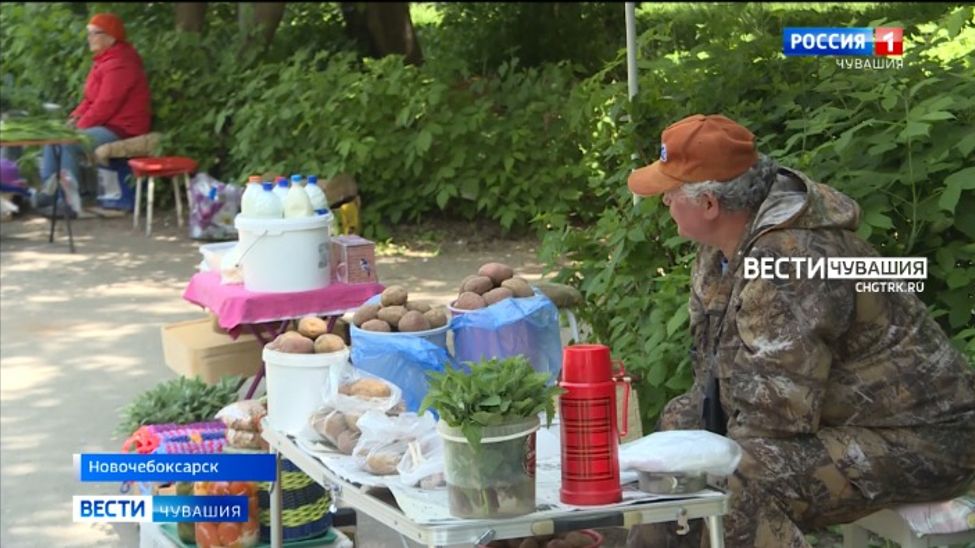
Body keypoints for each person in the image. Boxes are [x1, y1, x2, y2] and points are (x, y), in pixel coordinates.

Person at [625, 114, 975, 547]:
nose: (665, 204)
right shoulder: (723, 251)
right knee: (676, 432)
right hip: (848, 425)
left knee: (739, 478)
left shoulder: (791, 261)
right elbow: (716, 383)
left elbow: (777, 416)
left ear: (709, 204)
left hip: (924, 439)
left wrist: (704, 455)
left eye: (670, 195)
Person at [34, 12, 151, 214]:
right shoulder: (104, 60)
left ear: (111, 37)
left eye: (94, 33)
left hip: (123, 128)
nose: (89, 38)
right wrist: (73, 119)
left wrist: (77, 129)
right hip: (105, 123)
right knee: (53, 137)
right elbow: (89, 100)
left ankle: (69, 202)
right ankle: (51, 193)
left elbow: (106, 105)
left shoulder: (121, 63)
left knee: (68, 143)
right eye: (89, 33)